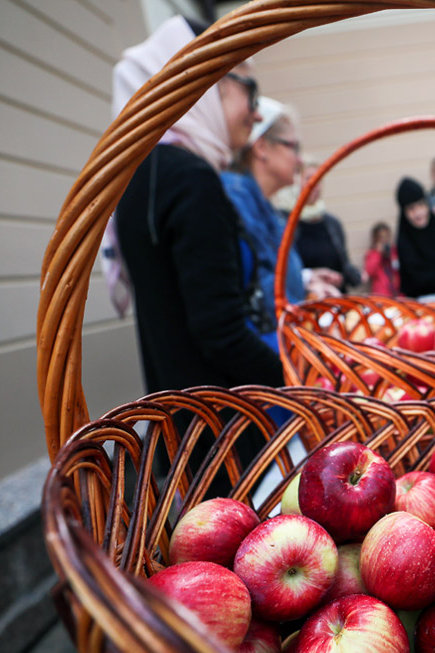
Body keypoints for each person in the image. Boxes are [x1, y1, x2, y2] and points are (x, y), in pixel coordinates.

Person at [112, 16, 286, 394]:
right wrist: (300, 382)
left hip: (174, 411)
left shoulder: (140, 174)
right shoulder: (190, 178)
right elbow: (221, 333)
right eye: (251, 92)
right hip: (218, 416)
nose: (257, 114)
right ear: (209, 82)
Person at [221, 97, 340, 354]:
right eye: (293, 147)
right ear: (262, 147)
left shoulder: (263, 207)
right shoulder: (236, 201)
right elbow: (257, 295)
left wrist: (306, 282)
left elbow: (274, 275)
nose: (299, 160)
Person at [273, 157, 365, 293]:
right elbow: (279, 270)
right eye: (309, 179)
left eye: (319, 179)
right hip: (302, 300)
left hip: (334, 299)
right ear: (296, 182)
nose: (315, 185)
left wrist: (350, 276)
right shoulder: (282, 221)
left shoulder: (332, 224)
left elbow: (344, 264)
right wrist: (309, 277)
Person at [364, 221, 400, 297]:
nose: (384, 240)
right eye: (381, 238)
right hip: (381, 294)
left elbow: (398, 268)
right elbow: (370, 271)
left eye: (386, 237)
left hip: (396, 293)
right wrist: (378, 254)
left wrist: (391, 255)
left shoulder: (394, 251)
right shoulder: (372, 254)